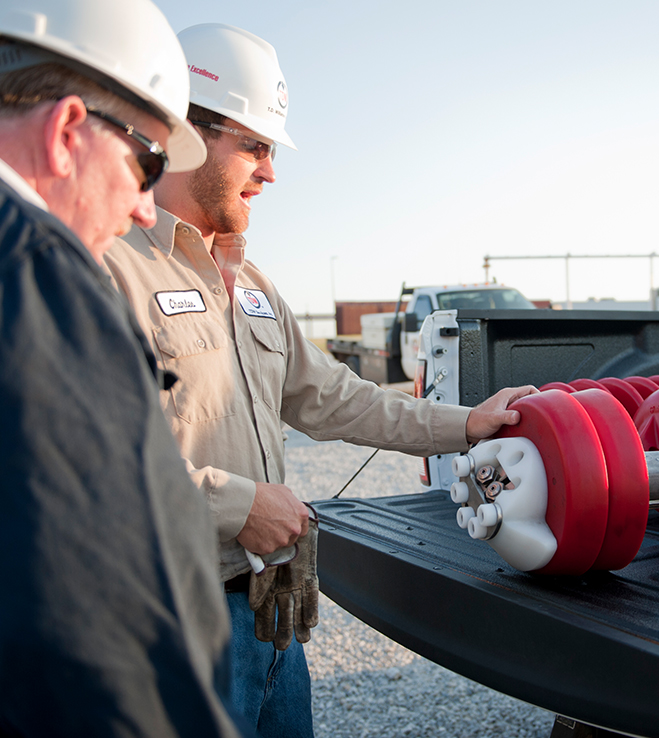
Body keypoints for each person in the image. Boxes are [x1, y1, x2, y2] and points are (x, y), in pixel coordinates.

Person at [104, 22, 537, 738]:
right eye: (257, 146)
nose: (271, 173)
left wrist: (466, 424)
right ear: (185, 129)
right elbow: (90, 466)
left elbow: (337, 400)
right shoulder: (110, 266)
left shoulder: (253, 286)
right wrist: (240, 505)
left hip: (270, 609)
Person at [0, 3, 250, 736]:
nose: (147, 208)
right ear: (67, 130)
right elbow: (98, 634)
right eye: (147, 162)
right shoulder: (38, 276)